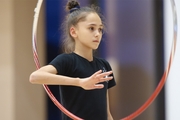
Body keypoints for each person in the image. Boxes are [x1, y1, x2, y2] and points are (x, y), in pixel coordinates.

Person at [29, 0, 116, 120]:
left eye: (100, 29)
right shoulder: (67, 61)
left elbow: (106, 113)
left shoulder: (104, 65)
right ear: (73, 31)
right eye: (91, 28)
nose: (98, 34)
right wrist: (79, 82)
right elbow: (35, 77)